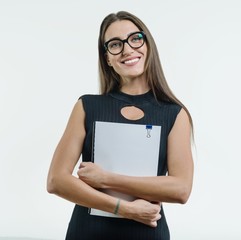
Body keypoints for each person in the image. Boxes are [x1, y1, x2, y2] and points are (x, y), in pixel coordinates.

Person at [47, 10, 194, 240]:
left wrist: (107, 179)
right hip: (88, 233)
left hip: (147, 233)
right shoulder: (87, 106)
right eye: (115, 44)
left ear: (148, 44)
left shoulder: (174, 113)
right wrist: (124, 208)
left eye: (135, 38)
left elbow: (181, 189)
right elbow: (56, 180)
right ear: (107, 58)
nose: (127, 49)